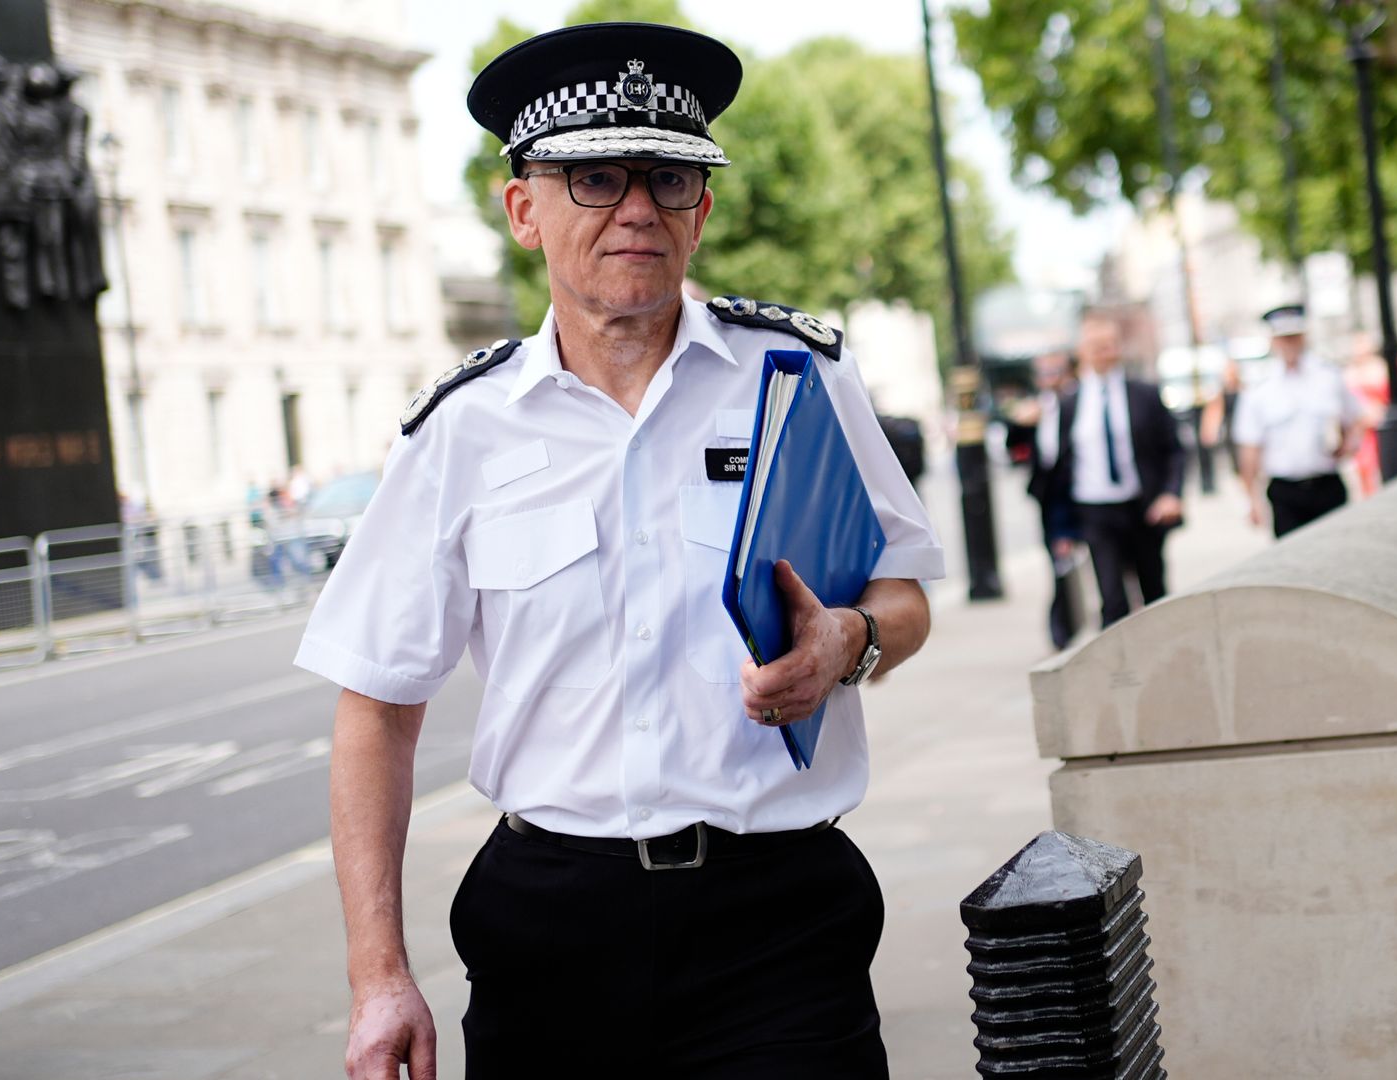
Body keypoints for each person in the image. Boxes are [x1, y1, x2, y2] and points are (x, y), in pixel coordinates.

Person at [296, 24, 943, 1080]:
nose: (637, 207)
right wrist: (379, 977)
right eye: (594, 178)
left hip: (778, 922)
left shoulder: (800, 376)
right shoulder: (460, 430)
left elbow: (904, 596)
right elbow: (375, 707)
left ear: (704, 208)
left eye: (669, 177)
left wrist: (849, 644)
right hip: (550, 933)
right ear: (522, 211)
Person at [1037, 314, 1185, 629]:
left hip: (1143, 509)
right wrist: (1061, 529)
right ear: (1082, 351)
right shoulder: (1069, 404)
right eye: (1095, 346)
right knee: (1112, 598)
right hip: (1095, 511)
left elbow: (1174, 449)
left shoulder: (1144, 394)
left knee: (1154, 594)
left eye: (1109, 345)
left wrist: (1171, 494)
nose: (1103, 352)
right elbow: (1058, 469)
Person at [1233, 304, 1364, 537]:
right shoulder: (1259, 388)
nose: (1290, 345)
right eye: (1284, 339)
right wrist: (1251, 500)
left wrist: (1348, 446)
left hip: (1327, 482)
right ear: (1273, 341)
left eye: (1294, 337)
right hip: (1285, 490)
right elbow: (1249, 448)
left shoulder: (1328, 376)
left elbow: (1354, 419)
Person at [1018, 351, 1085, 647]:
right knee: (1060, 567)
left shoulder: (1083, 402)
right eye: (1043, 373)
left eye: (1055, 371)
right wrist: (1021, 423)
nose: (1049, 379)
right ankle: (1063, 630)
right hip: (1051, 499)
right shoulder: (1037, 408)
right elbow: (1016, 449)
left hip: (1083, 496)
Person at [1342, 332, 1388, 496]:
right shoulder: (1349, 373)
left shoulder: (1380, 368)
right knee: (1364, 469)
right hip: (1362, 431)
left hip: (1381, 427)